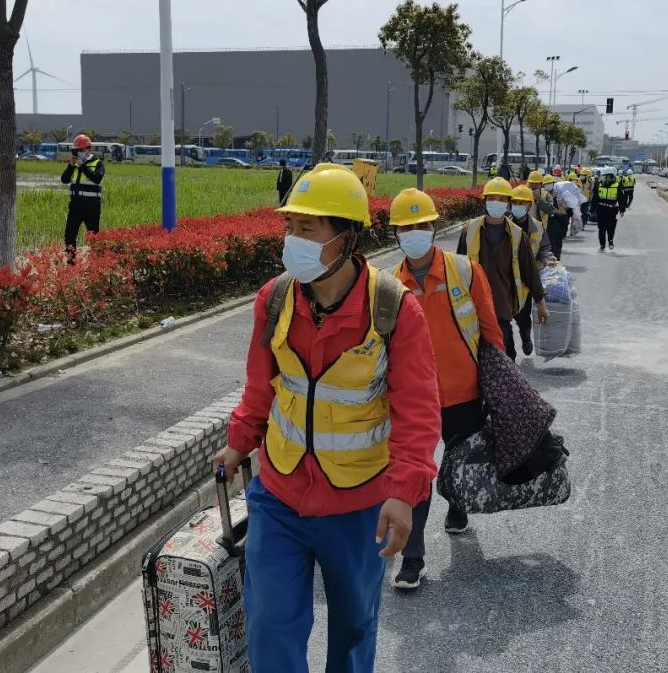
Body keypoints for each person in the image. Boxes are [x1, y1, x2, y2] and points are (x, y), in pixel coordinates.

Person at [216, 164, 440, 673]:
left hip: (360, 505)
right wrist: (239, 441)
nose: (293, 240)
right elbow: (260, 385)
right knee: (270, 625)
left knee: (354, 631)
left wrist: (404, 494)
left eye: (308, 229)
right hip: (280, 496)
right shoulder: (273, 301)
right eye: (289, 227)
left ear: (345, 237)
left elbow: (418, 413)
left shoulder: (394, 310)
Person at [388, 189, 505, 590]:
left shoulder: (465, 271)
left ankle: (457, 505)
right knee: (415, 476)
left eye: (422, 226)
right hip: (415, 401)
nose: (415, 233)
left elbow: (490, 332)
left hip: (463, 393)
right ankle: (413, 559)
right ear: (397, 235)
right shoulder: (388, 287)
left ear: (434, 229)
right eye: (407, 228)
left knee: (459, 464)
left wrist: (498, 383)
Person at [458, 176, 549, 360]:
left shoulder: (517, 235)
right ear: (485, 201)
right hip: (473, 304)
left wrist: (541, 303)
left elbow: (529, 270)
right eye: (491, 198)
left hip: (502, 304)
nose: (496, 203)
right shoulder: (470, 230)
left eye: (501, 199)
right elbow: (457, 268)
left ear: (507, 203)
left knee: (506, 355)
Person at [60, 134, 104, 263]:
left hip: (92, 208)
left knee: (94, 237)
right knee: (69, 236)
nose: (79, 153)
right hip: (75, 207)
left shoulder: (97, 163)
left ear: (88, 149)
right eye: (77, 150)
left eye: (81, 150)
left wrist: (83, 166)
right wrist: (71, 165)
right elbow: (64, 180)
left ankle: (96, 263)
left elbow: (97, 179)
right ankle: (71, 263)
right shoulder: (74, 165)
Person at [510, 185, 555, 268]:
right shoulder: (504, 224)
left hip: (530, 274)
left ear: (529, 205)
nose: (517, 206)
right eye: (514, 202)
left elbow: (544, 248)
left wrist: (547, 259)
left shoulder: (538, 226)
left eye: (521, 203)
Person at [595, 168, 627, 252]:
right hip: (601, 210)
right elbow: (595, 198)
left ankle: (610, 240)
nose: (602, 178)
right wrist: (592, 209)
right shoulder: (599, 185)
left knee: (610, 228)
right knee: (601, 228)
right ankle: (602, 245)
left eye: (604, 176)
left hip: (612, 211)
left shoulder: (617, 186)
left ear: (609, 177)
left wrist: (622, 210)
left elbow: (621, 199)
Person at [543, 175, 572, 260]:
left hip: (558, 223)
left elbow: (566, 212)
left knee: (556, 246)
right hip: (546, 224)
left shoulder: (560, 195)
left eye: (549, 183)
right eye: (546, 184)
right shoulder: (543, 195)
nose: (548, 185)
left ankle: (556, 262)